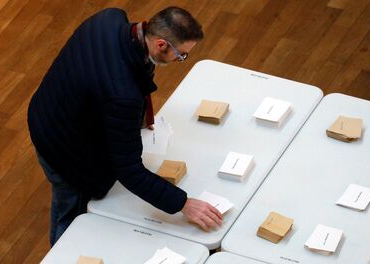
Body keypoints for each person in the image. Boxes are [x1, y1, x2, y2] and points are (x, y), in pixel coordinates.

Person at [27, 6, 223, 246]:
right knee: (71, 211)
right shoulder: (123, 94)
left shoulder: (110, 18)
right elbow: (129, 171)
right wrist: (183, 204)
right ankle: (61, 252)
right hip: (61, 146)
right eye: (181, 55)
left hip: (50, 109)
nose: (180, 60)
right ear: (161, 44)